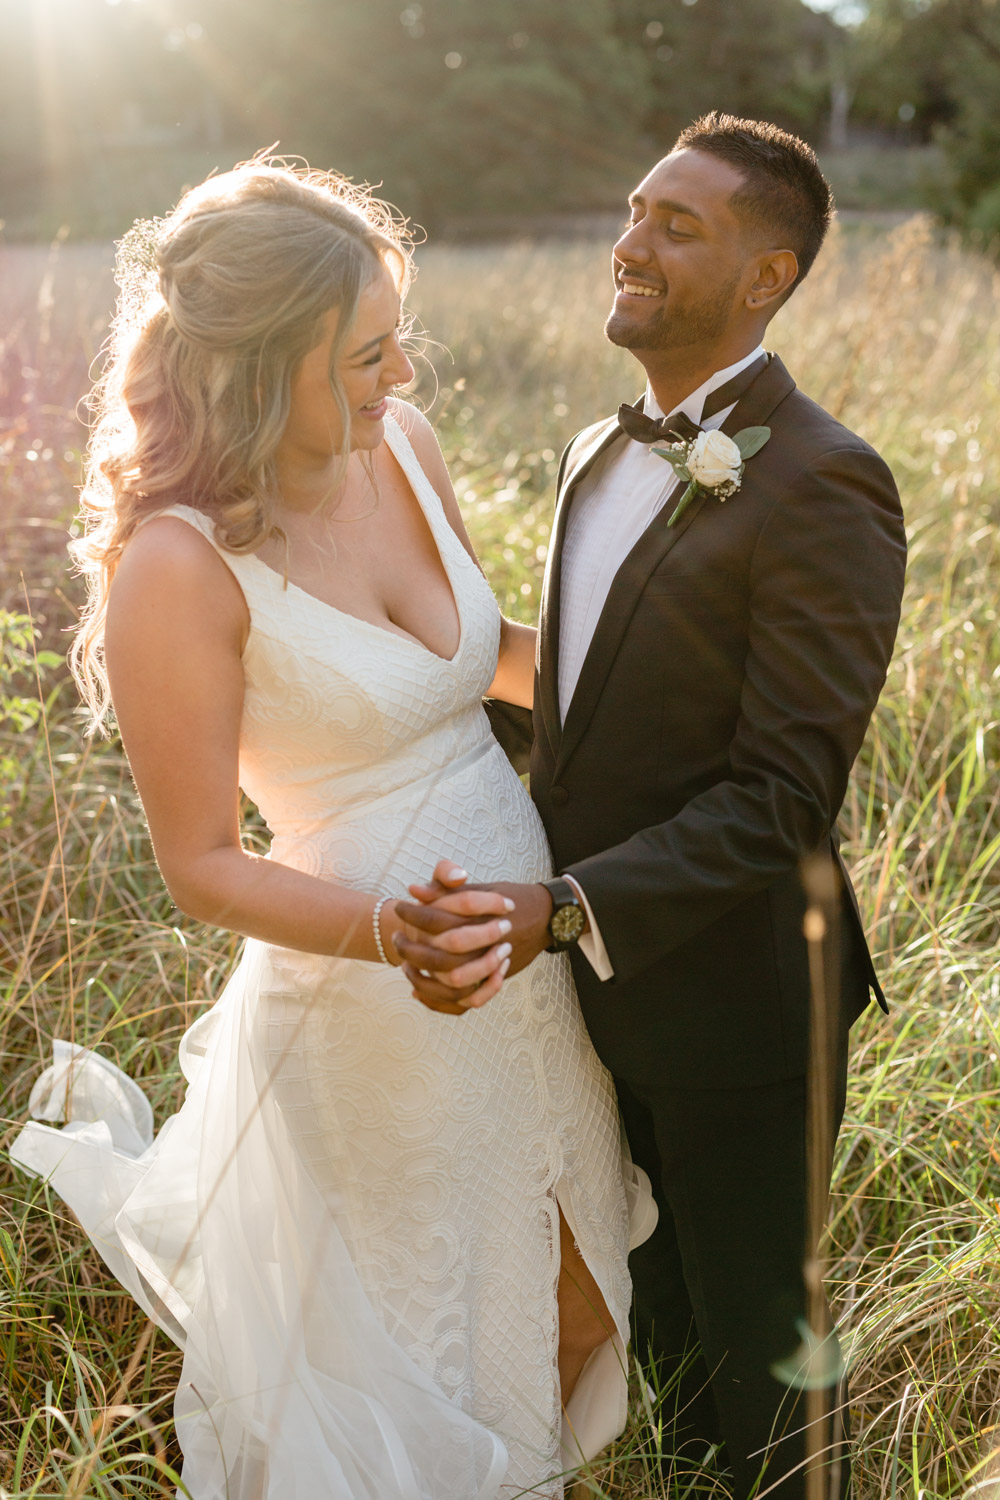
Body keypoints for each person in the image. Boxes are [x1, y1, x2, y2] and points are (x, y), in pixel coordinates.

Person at [10, 160, 655, 1500]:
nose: (401, 378)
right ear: (256, 367)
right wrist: (395, 932)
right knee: (444, 1361)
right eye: (365, 355)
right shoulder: (176, 569)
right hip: (377, 1013)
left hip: (525, 967)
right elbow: (201, 869)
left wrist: (704, 698)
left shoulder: (401, 450)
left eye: (397, 337)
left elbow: (484, 661)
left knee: (583, 1303)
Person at [396, 114, 907, 1498]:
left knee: (764, 1362)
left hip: (743, 1007)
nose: (631, 243)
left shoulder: (822, 478)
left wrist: (562, 909)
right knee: (651, 1337)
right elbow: (589, 701)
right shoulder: (590, 451)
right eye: (634, 211)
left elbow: (785, 792)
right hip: (586, 997)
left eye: (679, 226)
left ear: (765, 275)